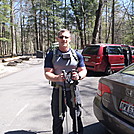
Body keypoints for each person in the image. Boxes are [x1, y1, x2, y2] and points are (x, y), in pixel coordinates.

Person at [44, 29, 87, 134]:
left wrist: (79, 76)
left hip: (73, 90)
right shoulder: (51, 55)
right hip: (58, 90)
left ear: (70, 39)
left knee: (77, 116)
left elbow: (83, 70)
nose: (64, 39)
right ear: (57, 39)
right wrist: (57, 78)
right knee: (58, 118)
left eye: (66, 37)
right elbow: (47, 73)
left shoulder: (77, 55)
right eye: (61, 37)